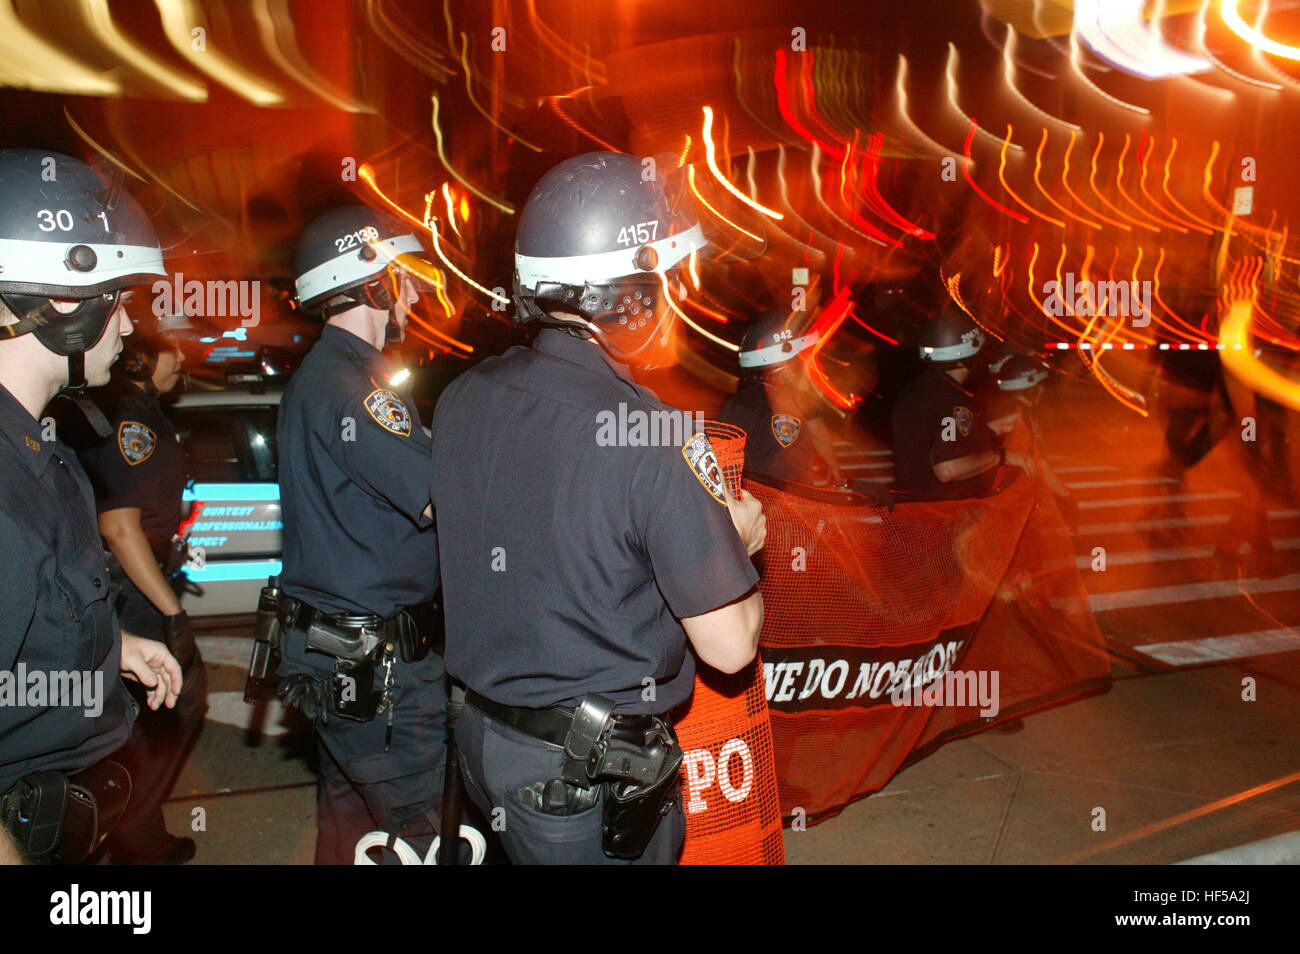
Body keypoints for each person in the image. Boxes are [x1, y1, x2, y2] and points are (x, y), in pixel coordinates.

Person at [429, 151, 767, 865]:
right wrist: (732, 540)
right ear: (627, 296)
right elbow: (729, 647)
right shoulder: (655, 434)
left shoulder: (464, 397)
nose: (679, 303)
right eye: (667, 283)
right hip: (585, 784)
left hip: (481, 748)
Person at [0, 149, 182, 864]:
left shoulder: (40, 449)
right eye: (121, 301)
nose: (131, 329)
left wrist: (108, 651)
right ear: (67, 304)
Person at [273, 205, 446, 865]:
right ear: (373, 282)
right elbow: (437, 498)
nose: (411, 293)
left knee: (351, 829)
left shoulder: (320, 378)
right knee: (420, 838)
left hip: (339, 651)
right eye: (402, 277)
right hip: (378, 663)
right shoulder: (357, 389)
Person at [74, 312, 206, 863]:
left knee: (143, 721)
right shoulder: (132, 415)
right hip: (132, 594)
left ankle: (139, 834)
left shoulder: (138, 409)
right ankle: (131, 839)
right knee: (171, 707)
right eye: (180, 352)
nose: (186, 363)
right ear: (158, 356)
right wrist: (172, 613)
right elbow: (120, 526)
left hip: (129, 589)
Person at [891, 305, 1034, 501]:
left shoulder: (914, 391)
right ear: (970, 356)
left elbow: (933, 437)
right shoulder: (952, 400)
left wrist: (988, 429)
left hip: (909, 512)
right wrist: (1002, 456)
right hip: (941, 520)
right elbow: (948, 468)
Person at [718, 307, 842, 485]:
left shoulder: (736, 404)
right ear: (783, 359)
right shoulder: (784, 407)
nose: (814, 367)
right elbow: (785, 488)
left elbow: (816, 427)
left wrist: (833, 466)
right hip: (776, 508)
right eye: (804, 357)